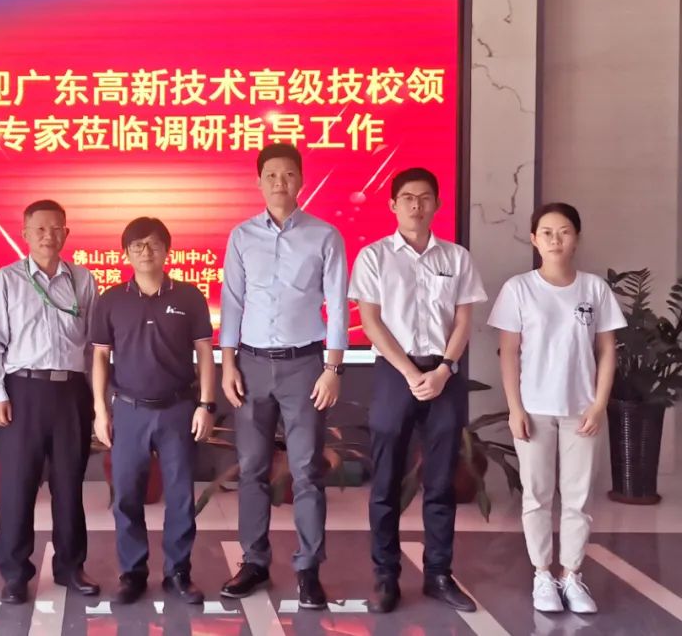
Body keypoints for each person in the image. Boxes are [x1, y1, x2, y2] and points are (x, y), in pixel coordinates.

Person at [347, 167, 486, 614]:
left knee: (441, 481)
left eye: (425, 198)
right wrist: (409, 372)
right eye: (407, 197)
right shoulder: (373, 257)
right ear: (393, 204)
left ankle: (438, 574)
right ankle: (385, 576)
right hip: (395, 373)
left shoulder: (457, 258)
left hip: (445, 374)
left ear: (437, 205)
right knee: (386, 480)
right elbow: (371, 322)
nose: (416, 205)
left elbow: (464, 320)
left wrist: (444, 369)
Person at [219, 143, 349, 609]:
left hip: (305, 366)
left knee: (307, 471)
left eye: (289, 174)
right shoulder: (241, 236)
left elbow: (337, 305)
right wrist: (228, 363)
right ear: (259, 181)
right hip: (251, 365)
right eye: (271, 174)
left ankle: (308, 570)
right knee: (252, 468)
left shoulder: (325, 236)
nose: (280, 182)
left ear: (301, 180)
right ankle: (254, 562)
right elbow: (232, 301)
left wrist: (333, 368)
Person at [488, 202, 625, 615]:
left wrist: (599, 405)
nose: (555, 240)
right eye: (546, 232)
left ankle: (572, 575)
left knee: (578, 499)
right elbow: (509, 353)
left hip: (581, 410)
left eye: (564, 232)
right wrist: (515, 408)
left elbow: (607, 350)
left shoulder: (594, 289)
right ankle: (542, 575)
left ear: (576, 238)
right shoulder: (519, 289)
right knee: (537, 496)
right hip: (533, 409)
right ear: (534, 239)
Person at [91, 217, 217, 606]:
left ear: (167, 250)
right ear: (125, 253)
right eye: (137, 245)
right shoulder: (111, 300)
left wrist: (206, 404)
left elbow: (204, 354)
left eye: (153, 244)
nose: (146, 252)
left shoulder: (190, 296)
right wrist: (100, 410)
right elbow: (100, 357)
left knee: (180, 497)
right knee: (127, 496)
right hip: (129, 411)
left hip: (178, 409)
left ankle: (178, 573)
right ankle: (132, 573)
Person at [0, 199, 99, 604]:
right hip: (22, 392)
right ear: (25, 234)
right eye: (40, 229)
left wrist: (97, 399)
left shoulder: (83, 280)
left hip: (71, 393)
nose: (49, 236)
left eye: (56, 228)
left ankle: (71, 566)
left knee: (70, 484)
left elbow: (93, 347)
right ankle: (15, 574)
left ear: (67, 233)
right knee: (18, 486)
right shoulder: (6, 280)